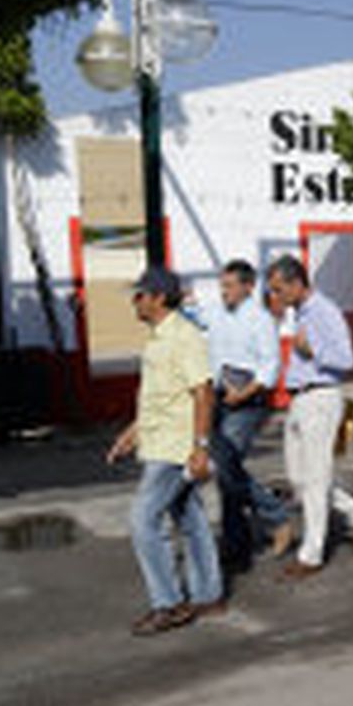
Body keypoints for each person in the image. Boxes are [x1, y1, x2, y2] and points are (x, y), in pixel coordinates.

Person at [105, 266, 224, 636]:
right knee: (189, 518)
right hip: (160, 441)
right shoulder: (159, 337)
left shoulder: (183, 336)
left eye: (140, 295)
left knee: (143, 521)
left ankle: (169, 604)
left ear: (158, 298)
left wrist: (200, 447)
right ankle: (207, 595)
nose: (134, 302)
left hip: (174, 449)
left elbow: (202, 392)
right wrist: (132, 432)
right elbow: (164, 396)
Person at [263, 255, 353, 581]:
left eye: (279, 289)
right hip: (300, 399)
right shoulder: (301, 313)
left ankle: (311, 555)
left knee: (314, 480)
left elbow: (347, 359)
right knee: (299, 479)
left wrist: (314, 351)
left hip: (321, 398)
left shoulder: (325, 311)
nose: (276, 296)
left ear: (297, 283)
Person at [195, 259, 294, 573]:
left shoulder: (261, 320)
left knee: (228, 469)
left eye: (229, 286)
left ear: (248, 287)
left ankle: (270, 520)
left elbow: (270, 366)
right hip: (218, 397)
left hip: (247, 401)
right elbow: (193, 319)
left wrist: (247, 391)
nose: (223, 292)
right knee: (227, 471)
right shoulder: (214, 313)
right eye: (221, 286)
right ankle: (238, 543)